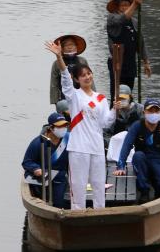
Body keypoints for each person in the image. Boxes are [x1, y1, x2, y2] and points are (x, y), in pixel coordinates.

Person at [45, 40, 121, 210]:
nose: (87, 77)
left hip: (96, 147)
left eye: (89, 74)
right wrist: (59, 57)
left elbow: (105, 122)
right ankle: (77, 215)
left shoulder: (100, 98)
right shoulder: (74, 96)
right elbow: (65, 79)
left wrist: (114, 111)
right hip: (79, 148)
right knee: (78, 186)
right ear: (77, 80)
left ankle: (100, 214)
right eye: (83, 75)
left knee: (99, 185)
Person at [113, 99, 160, 204]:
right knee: (138, 156)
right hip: (143, 158)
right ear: (144, 113)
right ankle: (144, 191)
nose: (153, 114)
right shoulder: (137, 126)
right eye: (150, 111)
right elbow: (126, 146)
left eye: (156, 111)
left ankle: (157, 188)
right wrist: (121, 166)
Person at [106, 0, 152, 102]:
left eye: (127, 5)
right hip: (116, 63)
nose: (125, 8)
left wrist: (146, 62)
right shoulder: (111, 18)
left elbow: (140, 43)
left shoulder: (135, 22)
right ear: (117, 7)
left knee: (128, 93)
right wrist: (135, 4)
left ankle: (129, 114)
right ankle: (115, 116)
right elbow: (122, 19)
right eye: (122, 5)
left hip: (130, 63)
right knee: (116, 95)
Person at [22, 112, 70, 209]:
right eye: (60, 126)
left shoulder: (69, 138)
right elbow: (27, 162)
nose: (63, 128)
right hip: (43, 177)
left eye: (65, 125)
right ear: (51, 128)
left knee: (61, 202)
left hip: (60, 177)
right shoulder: (38, 143)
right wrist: (36, 169)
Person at [50, 34, 95, 105]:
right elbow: (54, 84)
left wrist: (93, 94)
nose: (70, 47)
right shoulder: (56, 64)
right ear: (62, 48)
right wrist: (56, 101)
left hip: (82, 95)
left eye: (72, 45)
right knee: (63, 106)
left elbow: (89, 79)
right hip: (64, 97)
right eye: (67, 45)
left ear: (76, 47)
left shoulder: (82, 61)